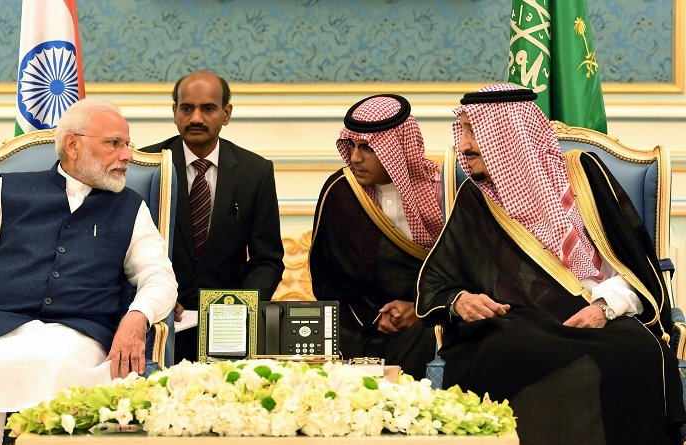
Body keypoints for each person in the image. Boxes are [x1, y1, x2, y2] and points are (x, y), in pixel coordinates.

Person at [0, 98, 178, 445]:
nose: (127, 156)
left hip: (75, 333)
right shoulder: (6, 190)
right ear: (73, 145)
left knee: (57, 360)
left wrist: (137, 317)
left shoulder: (130, 207)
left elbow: (159, 276)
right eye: (114, 144)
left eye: (127, 144)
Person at [417, 83, 685, 444]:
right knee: (516, 349)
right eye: (462, 130)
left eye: (473, 130)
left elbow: (635, 270)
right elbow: (438, 281)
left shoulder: (584, 178)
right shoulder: (475, 200)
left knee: (640, 353)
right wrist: (460, 301)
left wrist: (604, 308)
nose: (463, 145)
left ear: (509, 136)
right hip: (515, 324)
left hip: (596, 315)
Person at [140, 70, 284, 363]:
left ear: (226, 113)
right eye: (186, 108)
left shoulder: (255, 172)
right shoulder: (146, 166)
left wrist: (239, 308)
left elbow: (267, 260)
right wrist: (153, 299)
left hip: (229, 329)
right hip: (157, 322)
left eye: (208, 108)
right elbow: (121, 252)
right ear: (174, 112)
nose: (196, 118)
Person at [309, 94, 443, 377]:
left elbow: (460, 271)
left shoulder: (442, 191)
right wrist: (375, 316)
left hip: (427, 316)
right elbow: (327, 278)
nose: (355, 158)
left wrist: (419, 310)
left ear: (397, 149)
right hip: (359, 320)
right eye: (352, 146)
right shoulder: (341, 192)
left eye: (367, 148)